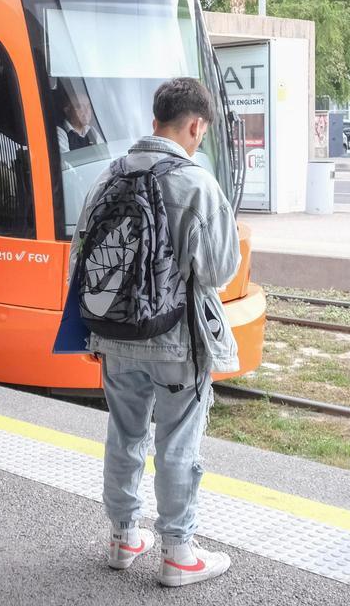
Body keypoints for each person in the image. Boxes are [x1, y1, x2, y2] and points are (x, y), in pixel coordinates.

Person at [70, 77, 241, 587]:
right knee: (177, 442)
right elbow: (218, 270)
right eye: (201, 133)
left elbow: (81, 259)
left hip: (114, 335)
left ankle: (123, 538)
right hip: (175, 341)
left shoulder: (105, 176)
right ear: (195, 126)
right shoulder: (196, 183)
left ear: (153, 123)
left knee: (124, 434)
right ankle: (178, 552)